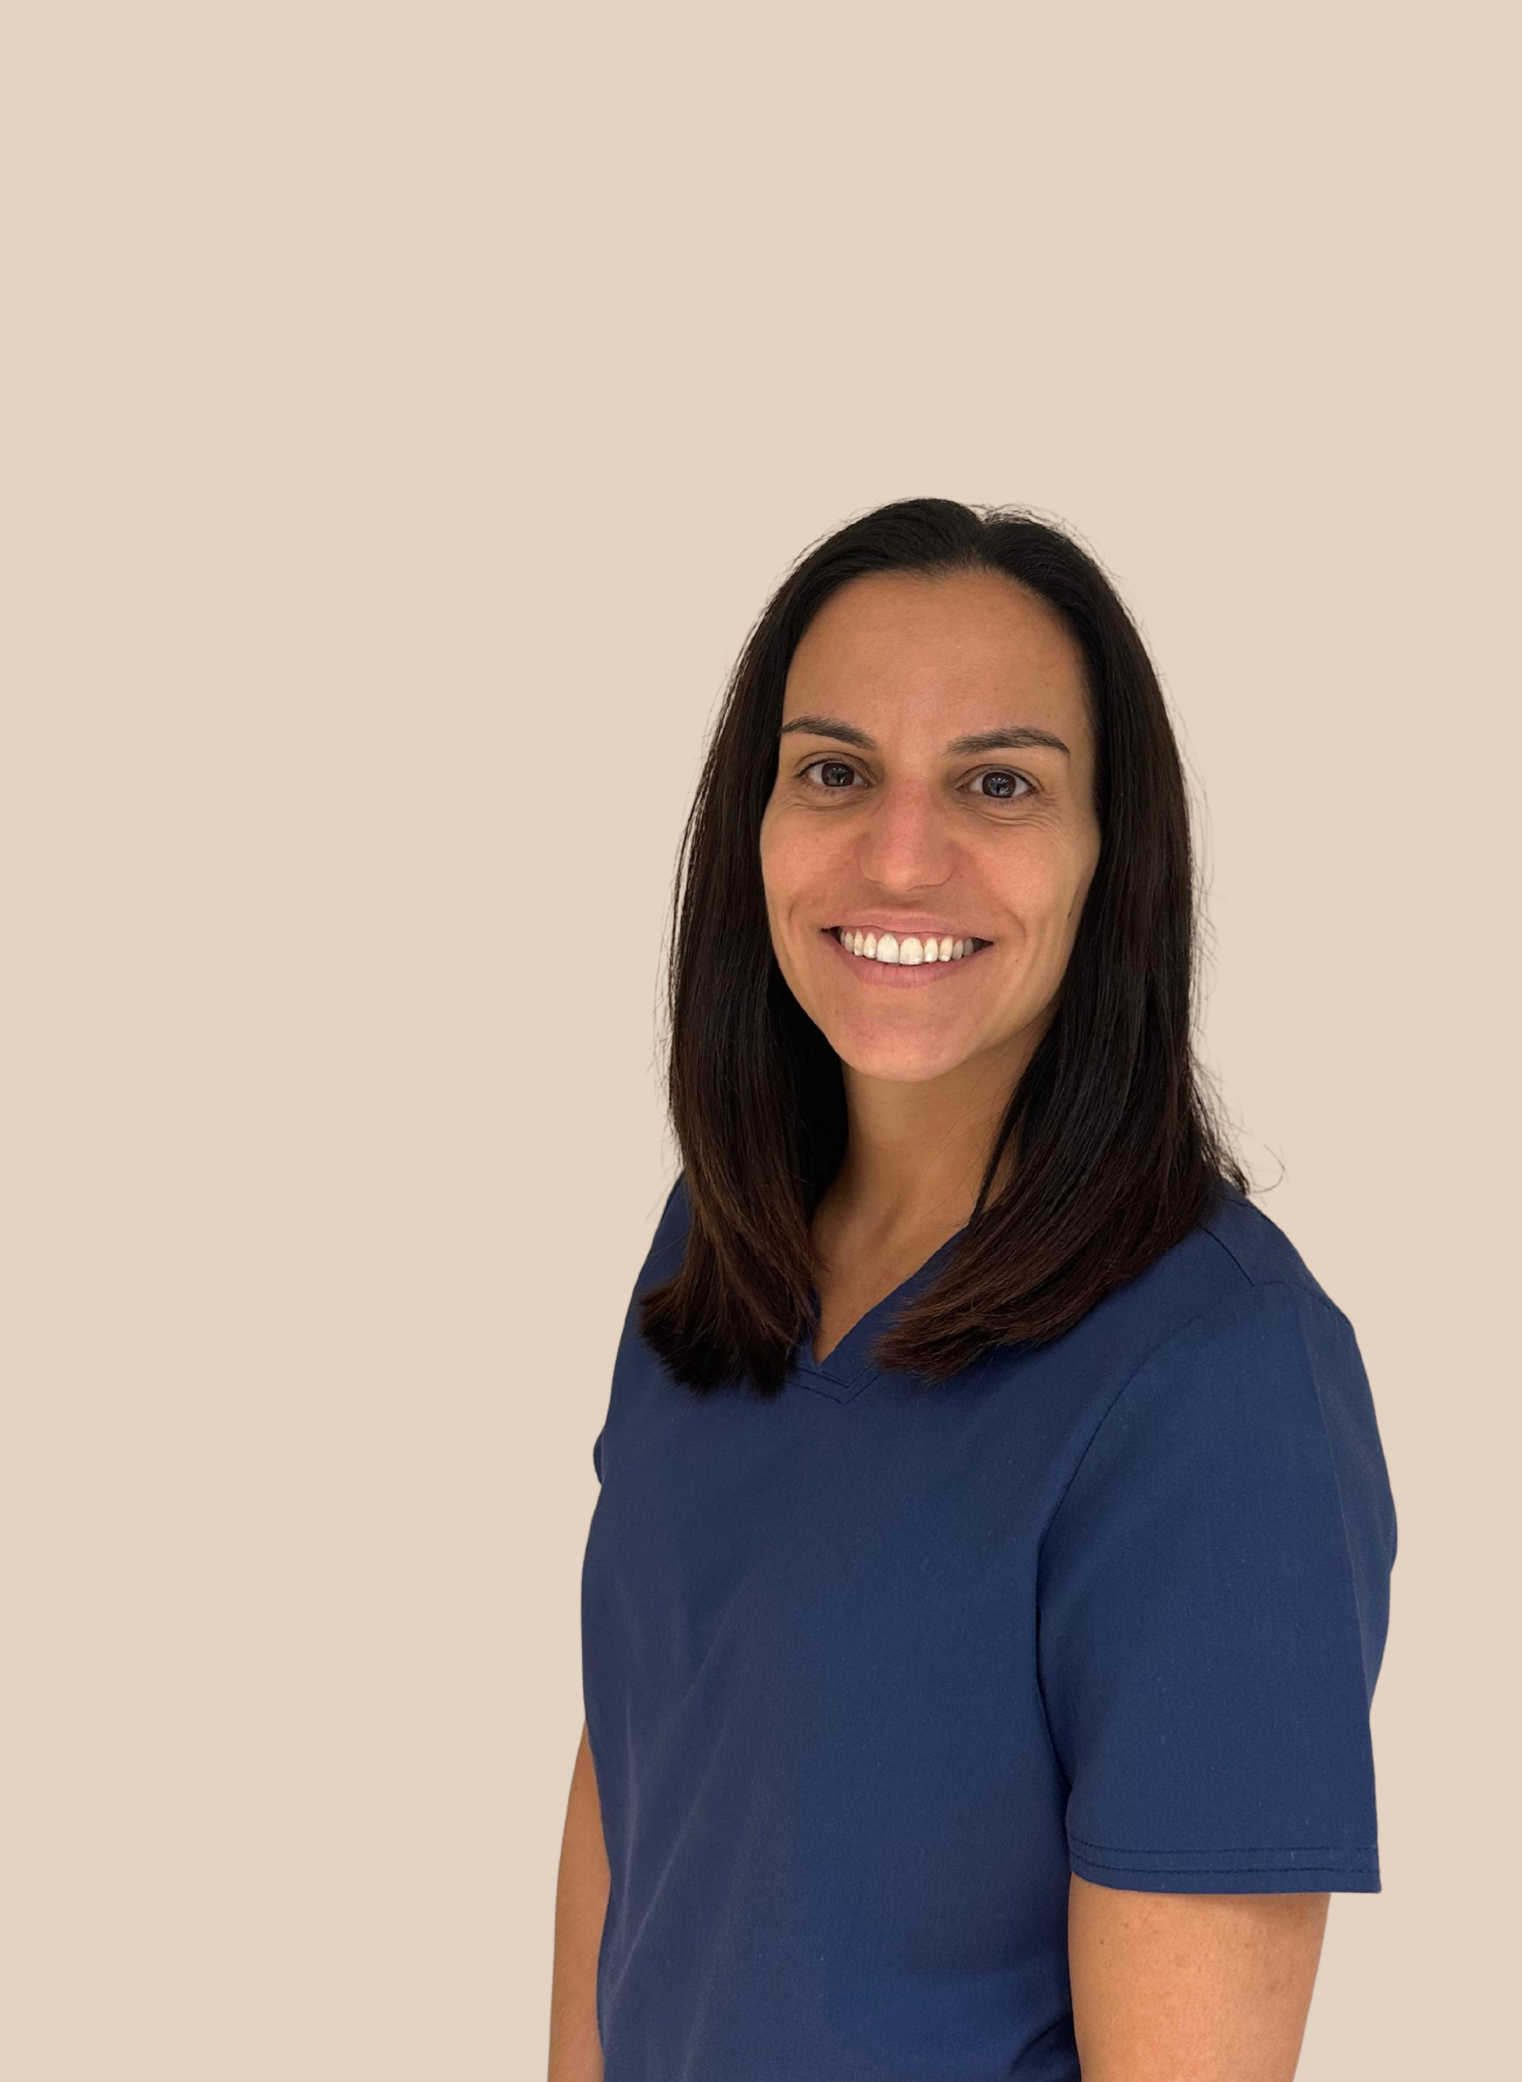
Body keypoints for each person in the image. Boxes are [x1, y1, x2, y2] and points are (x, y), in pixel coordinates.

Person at [547, 498, 1397, 2082]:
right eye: (835, 769)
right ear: (756, 822)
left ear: (1106, 857)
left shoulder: (1215, 1387)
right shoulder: (711, 1253)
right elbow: (640, 1775)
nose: (900, 853)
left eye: (997, 782)